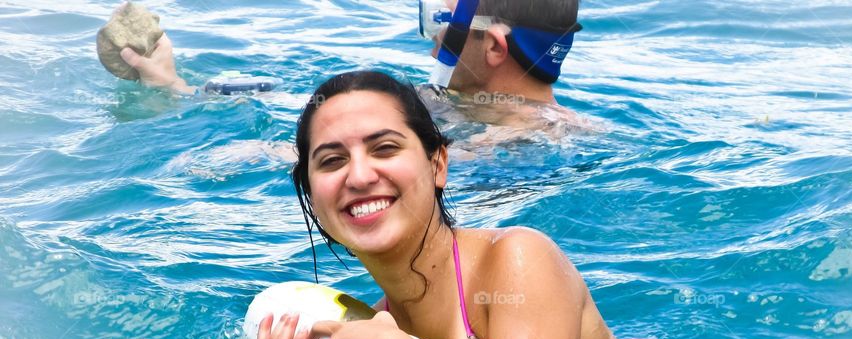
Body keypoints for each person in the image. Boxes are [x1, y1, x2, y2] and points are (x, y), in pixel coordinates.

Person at [255, 70, 636, 339]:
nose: (358, 176)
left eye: (384, 148)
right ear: (310, 195)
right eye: (332, 160)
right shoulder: (380, 328)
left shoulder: (516, 260)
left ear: (438, 165)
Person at [119, 0, 582, 111]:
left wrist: (174, 93)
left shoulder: (490, 148)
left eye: (440, 25)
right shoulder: (454, 109)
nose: (433, 43)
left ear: (496, 47)